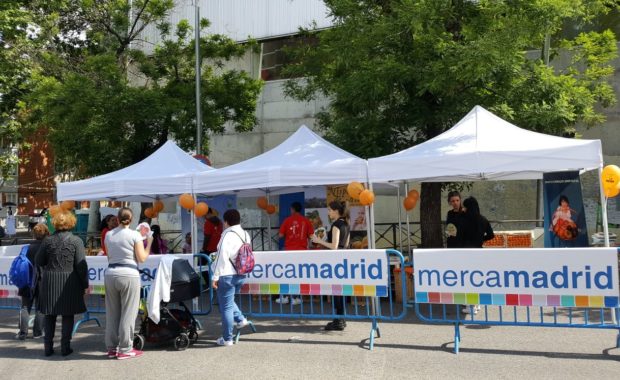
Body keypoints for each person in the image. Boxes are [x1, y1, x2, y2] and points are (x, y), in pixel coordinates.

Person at [36, 210, 89, 357]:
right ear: (71, 222)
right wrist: (85, 284)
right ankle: (65, 348)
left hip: (50, 282)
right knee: (68, 315)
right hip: (69, 283)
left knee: (49, 315)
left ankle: (48, 348)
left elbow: (39, 261)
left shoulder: (47, 240)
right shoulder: (76, 241)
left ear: (55, 223)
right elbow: (81, 266)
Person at [104, 207, 153, 360]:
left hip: (111, 273)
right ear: (131, 220)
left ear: (117, 219)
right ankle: (125, 349)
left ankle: (111, 348)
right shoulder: (135, 235)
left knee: (112, 312)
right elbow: (142, 258)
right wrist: (149, 243)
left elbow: (109, 256)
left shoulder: (109, 235)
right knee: (129, 312)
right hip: (129, 273)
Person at [211, 209, 251, 346]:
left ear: (226, 222)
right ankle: (240, 319)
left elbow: (220, 257)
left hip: (226, 274)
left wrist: (215, 277)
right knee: (228, 300)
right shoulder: (245, 234)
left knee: (226, 307)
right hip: (241, 273)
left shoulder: (227, 235)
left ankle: (227, 338)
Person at [311, 201, 350, 331]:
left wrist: (319, 241)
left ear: (335, 211)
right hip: (343, 260)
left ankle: (338, 320)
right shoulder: (346, 223)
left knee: (336, 292)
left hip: (335, 261)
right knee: (340, 291)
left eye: (329, 210)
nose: (328, 212)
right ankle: (340, 319)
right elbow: (345, 245)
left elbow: (334, 246)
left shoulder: (336, 225)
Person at [458, 197, 494, 315]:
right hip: (479, 251)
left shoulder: (463, 220)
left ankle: (470, 305)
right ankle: (477, 304)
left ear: (467, 207)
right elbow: (491, 235)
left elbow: (459, 236)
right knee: (477, 278)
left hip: (466, 252)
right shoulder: (483, 219)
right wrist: (480, 239)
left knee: (467, 278)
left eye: (464, 206)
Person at [275, 202, 314, 305]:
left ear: (292, 209)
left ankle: (285, 297)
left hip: (289, 252)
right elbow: (311, 236)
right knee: (299, 275)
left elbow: (280, 235)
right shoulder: (306, 221)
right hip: (302, 252)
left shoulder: (287, 220)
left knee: (288, 274)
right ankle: (296, 298)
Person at [16, 223, 49, 340]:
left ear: (34, 234)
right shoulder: (47, 248)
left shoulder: (26, 248)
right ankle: (38, 332)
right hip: (42, 280)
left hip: (27, 280)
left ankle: (22, 333)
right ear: (46, 233)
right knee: (40, 307)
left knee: (25, 307)